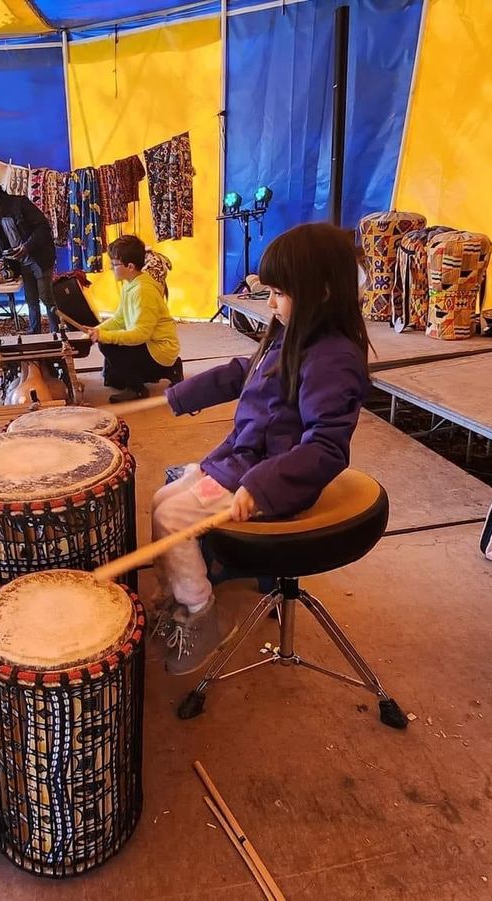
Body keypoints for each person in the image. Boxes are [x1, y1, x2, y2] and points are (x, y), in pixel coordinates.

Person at [149, 223, 371, 675]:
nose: (269, 303)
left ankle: (201, 613)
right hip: (244, 458)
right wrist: (179, 396)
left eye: (279, 293)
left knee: (172, 518)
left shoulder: (333, 359)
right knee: (161, 500)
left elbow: (328, 446)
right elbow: (243, 371)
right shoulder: (290, 334)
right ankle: (178, 594)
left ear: (323, 292)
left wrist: (263, 485)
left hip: (273, 478)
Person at [88, 235, 182, 402]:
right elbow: (119, 319)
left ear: (130, 266)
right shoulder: (129, 283)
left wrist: (104, 337)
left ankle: (138, 388)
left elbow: (141, 335)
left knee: (107, 344)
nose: (111, 268)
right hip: (148, 343)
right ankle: (169, 369)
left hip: (158, 349)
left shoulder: (143, 291)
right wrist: (96, 330)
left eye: (114, 264)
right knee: (114, 380)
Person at [0, 180, 56, 334]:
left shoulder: (20, 204)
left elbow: (43, 228)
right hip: (23, 262)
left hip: (40, 258)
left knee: (46, 297)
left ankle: (56, 333)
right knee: (31, 299)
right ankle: (34, 332)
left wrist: (26, 247)